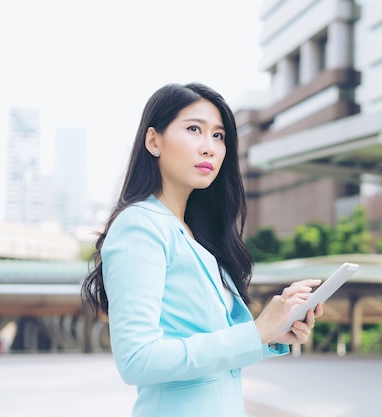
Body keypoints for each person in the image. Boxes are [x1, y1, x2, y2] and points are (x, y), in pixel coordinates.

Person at [82, 82, 323, 417]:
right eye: (194, 129)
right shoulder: (140, 225)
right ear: (154, 141)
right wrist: (255, 332)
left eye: (219, 136)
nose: (209, 147)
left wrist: (272, 334)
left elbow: (213, 356)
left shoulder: (196, 238)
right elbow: (137, 360)